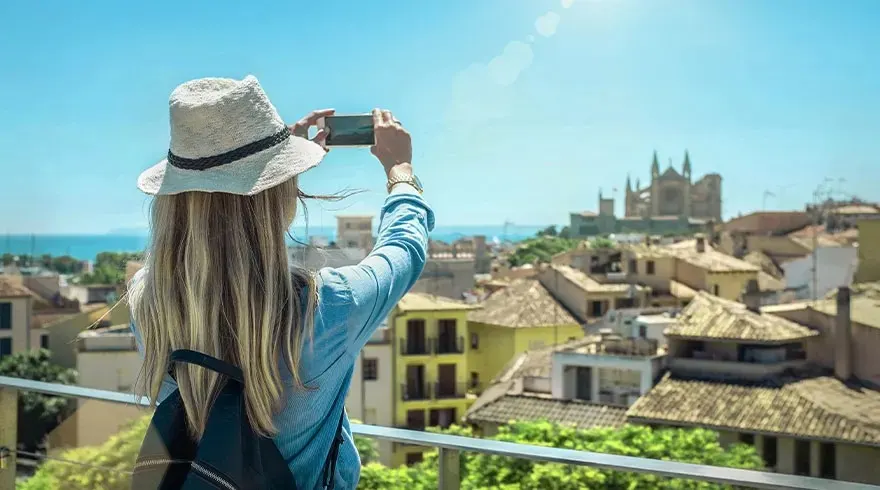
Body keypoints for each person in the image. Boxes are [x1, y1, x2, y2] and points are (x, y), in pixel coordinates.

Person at [128, 75, 432, 489]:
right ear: (281, 195)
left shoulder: (147, 298)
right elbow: (404, 251)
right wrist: (401, 171)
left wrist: (270, 165)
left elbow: (219, 231)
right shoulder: (331, 307)